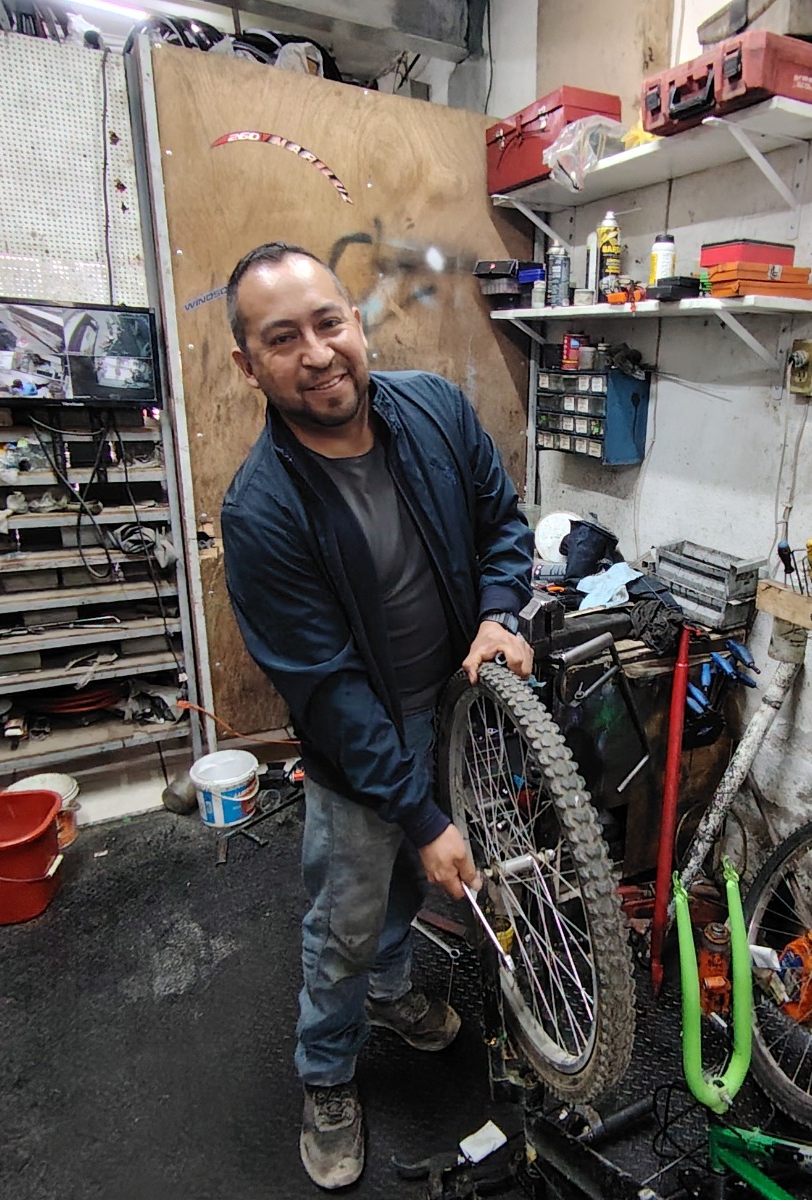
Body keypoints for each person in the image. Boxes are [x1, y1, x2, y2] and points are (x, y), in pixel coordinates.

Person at [219, 243, 535, 1190]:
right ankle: (326, 1073)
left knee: (408, 887)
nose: (317, 354)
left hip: (454, 700)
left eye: (328, 323)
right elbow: (327, 691)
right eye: (283, 339)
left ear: (355, 321)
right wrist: (424, 816)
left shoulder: (433, 410)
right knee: (348, 919)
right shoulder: (262, 510)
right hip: (360, 735)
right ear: (248, 365)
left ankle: (393, 994)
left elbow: (501, 521)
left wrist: (500, 611)